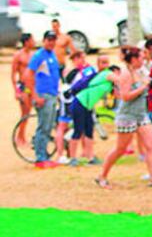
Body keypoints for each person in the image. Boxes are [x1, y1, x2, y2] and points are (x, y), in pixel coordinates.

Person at [94, 46, 152, 189]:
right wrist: (143, 87)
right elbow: (125, 96)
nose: (143, 59)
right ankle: (102, 176)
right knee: (120, 148)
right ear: (134, 59)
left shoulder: (139, 71)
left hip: (141, 114)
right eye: (141, 57)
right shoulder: (126, 74)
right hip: (127, 115)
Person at [23, 31, 61, 168]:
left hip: (51, 94)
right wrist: (34, 95)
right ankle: (40, 158)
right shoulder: (39, 56)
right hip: (42, 95)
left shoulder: (52, 55)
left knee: (48, 125)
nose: (51, 42)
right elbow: (28, 74)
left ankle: (44, 154)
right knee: (43, 126)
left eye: (53, 40)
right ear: (44, 40)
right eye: (49, 40)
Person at [63, 50, 98, 166]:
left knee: (89, 129)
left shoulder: (88, 70)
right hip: (77, 102)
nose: (81, 61)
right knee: (78, 130)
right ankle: (73, 157)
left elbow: (85, 82)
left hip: (87, 102)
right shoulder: (73, 72)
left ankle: (90, 155)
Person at [12, 33, 36, 147]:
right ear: (26, 42)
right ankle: (20, 136)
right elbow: (13, 74)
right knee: (24, 112)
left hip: (32, 86)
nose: (34, 42)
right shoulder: (18, 55)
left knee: (28, 111)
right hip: (23, 86)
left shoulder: (33, 54)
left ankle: (22, 135)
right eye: (32, 40)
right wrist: (16, 91)